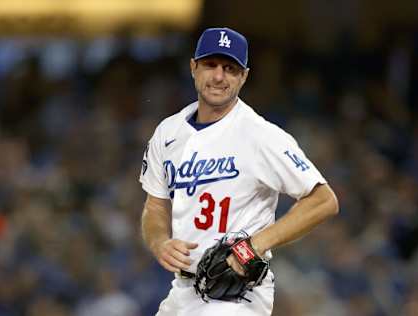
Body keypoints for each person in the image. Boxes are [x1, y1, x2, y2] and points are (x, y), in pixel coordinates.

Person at [140, 27, 339, 316]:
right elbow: (155, 205)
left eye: (230, 68)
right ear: (193, 67)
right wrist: (159, 242)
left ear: (243, 76)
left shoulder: (260, 135)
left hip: (238, 296)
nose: (219, 76)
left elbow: (324, 201)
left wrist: (253, 246)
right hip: (183, 291)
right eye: (211, 65)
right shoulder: (168, 132)